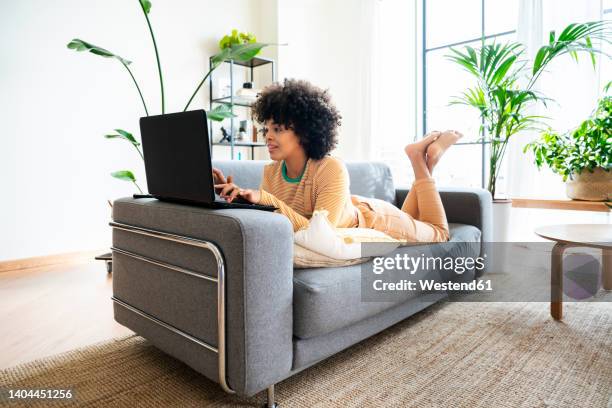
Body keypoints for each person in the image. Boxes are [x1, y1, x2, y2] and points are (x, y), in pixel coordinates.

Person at [212, 78, 462, 243]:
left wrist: (265, 199)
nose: (268, 136)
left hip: (378, 222)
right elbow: (274, 223)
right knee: (416, 219)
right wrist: (239, 200)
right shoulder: (272, 173)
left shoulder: (330, 168)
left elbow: (322, 236)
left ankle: (419, 159)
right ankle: (423, 158)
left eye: (277, 129)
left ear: (304, 130)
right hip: (351, 209)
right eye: (266, 129)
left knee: (439, 233)